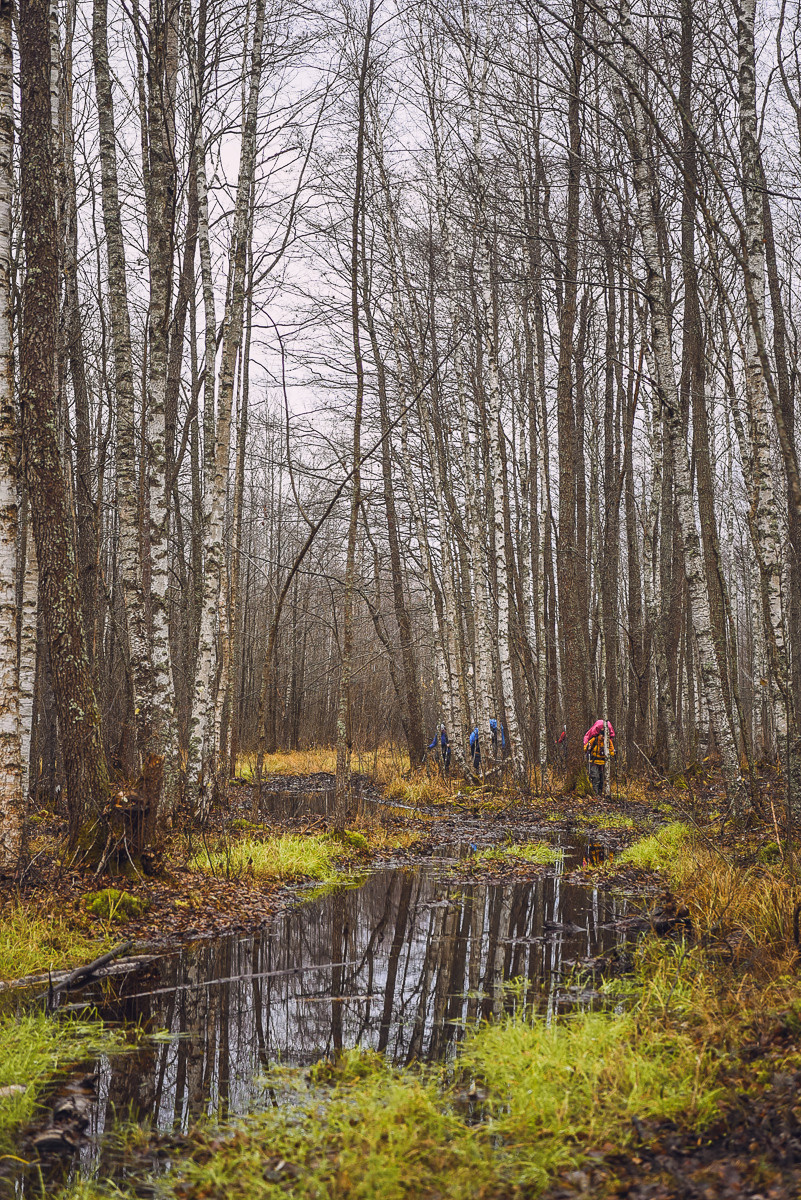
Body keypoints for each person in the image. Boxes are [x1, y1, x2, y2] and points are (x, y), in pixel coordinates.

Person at [583, 720, 615, 796]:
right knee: (595, 778)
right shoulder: (594, 739)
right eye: (602, 735)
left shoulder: (608, 741)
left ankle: (600, 794)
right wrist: (588, 747)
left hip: (602, 763)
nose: (603, 737)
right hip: (593, 762)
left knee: (601, 780)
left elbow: (611, 751)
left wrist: (613, 753)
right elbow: (585, 748)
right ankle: (595, 794)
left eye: (604, 736)